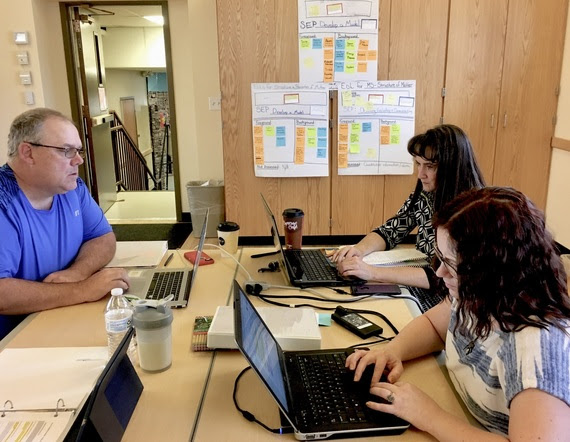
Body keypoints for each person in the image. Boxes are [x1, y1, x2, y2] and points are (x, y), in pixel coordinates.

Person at [346, 187, 570, 440]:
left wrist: (429, 416)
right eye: (439, 259)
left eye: (451, 265)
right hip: (459, 414)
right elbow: (435, 326)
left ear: (492, 271)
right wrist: (392, 351)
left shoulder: (537, 347)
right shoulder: (479, 295)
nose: (440, 273)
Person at [0, 108, 129, 339]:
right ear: (28, 153)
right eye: (66, 151)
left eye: (78, 151)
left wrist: (78, 272)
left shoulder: (72, 188)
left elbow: (102, 237)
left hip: (56, 317)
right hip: (13, 342)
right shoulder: (3, 202)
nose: (78, 160)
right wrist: (83, 289)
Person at [333, 124, 485, 289]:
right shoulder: (426, 194)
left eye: (430, 166)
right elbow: (390, 231)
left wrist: (372, 272)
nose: (420, 174)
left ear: (452, 167)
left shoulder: (471, 212)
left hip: (448, 297)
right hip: (422, 283)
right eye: (418, 164)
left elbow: (441, 278)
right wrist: (359, 250)